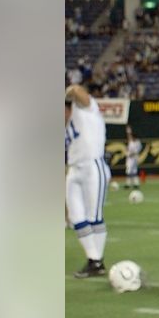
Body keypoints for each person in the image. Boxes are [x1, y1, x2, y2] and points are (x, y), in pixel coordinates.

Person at [66, 84, 110, 278]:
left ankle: (97, 261)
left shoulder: (85, 109)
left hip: (93, 166)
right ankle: (93, 259)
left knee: (94, 217)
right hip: (74, 170)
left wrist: (65, 94)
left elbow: (77, 90)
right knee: (76, 218)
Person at [123, 126, 142, 191]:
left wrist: (130, 154)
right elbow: (129, 137)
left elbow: (136, 151)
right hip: (130, 158)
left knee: (131, 171)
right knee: (132, 171)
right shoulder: (131, 141)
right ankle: (135, 184)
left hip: (133, 158)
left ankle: (129, 184)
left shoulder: (137, 143)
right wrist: (128, 131)